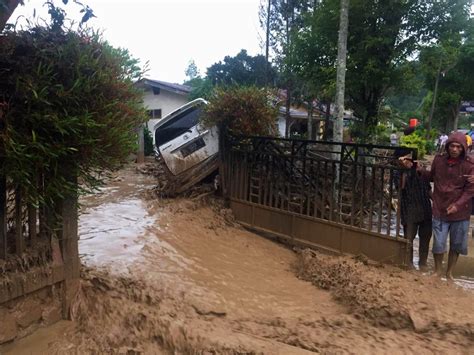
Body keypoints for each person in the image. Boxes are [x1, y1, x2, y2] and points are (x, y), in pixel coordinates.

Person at [402, 132, 474, 280]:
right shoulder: (439, 160)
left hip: (461, 212)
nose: (454, 149)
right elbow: (431, 176)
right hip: (440, 208)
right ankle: (438, 271)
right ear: (447, 147)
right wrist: (418, 169)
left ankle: (449, 273)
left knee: (457, 244)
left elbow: (469, 191)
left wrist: (457, 205)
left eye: (458, 147)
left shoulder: (469, 165)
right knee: (439, 242)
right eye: (452, 146)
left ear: (463, 148)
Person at [396, 148, 432, 269]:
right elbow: (401, 186)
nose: (410, 160)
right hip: (409, 209)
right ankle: (408, 262)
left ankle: (423, 263)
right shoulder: (399, 172)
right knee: (409, 237)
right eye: (406, 158)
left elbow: (428, 188)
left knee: (426, 236)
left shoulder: (420, 170)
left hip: (425, 207)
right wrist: (404, 169)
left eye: (411, 157)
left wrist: (437, 202)